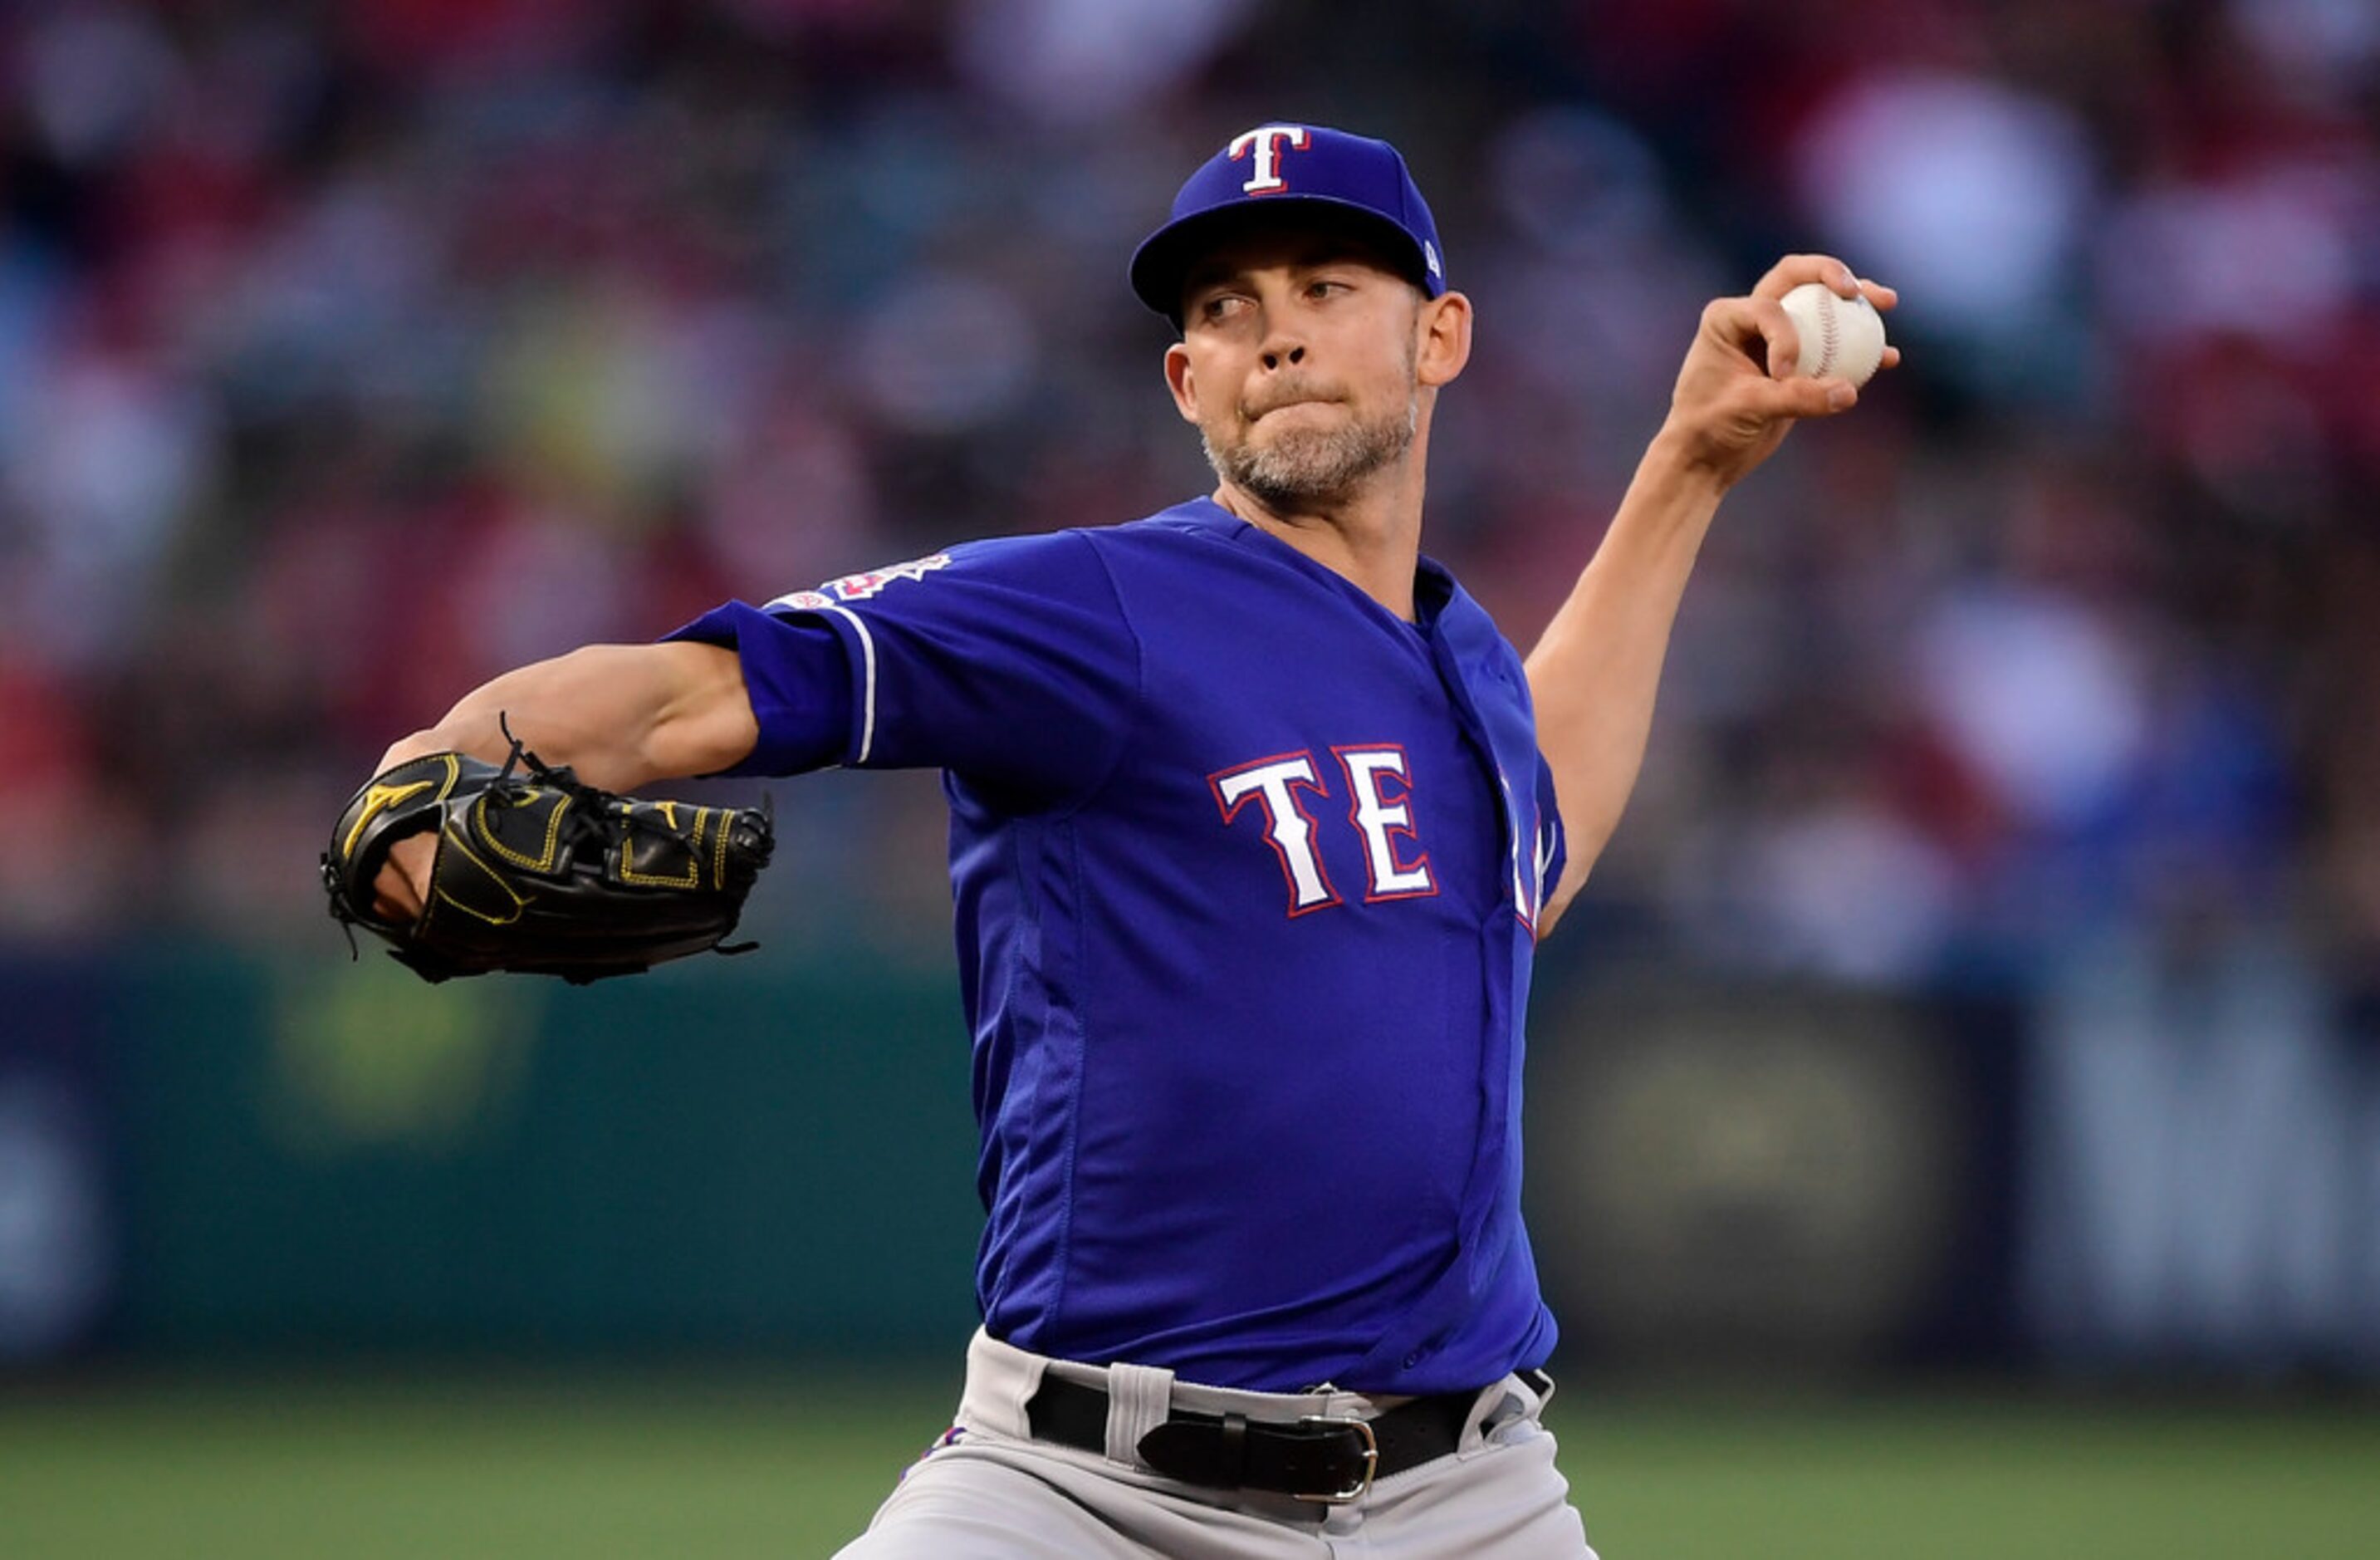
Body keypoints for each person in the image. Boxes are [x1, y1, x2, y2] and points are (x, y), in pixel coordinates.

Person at [363, 123, 1895, 1558]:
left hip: (1468, 1492)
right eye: (1226, 308)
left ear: (1440, 337)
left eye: (1325, 286)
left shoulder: (1462, 657)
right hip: (1080, 1488)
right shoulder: (1094, 607)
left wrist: (1691, 458)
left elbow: (1529, 852)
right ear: (1183, 379)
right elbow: (700, 693)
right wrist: (436, 766)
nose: (1275, 331)